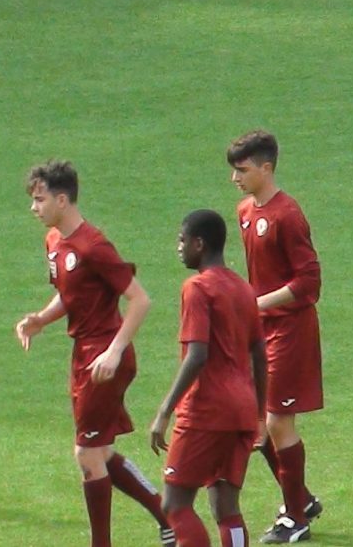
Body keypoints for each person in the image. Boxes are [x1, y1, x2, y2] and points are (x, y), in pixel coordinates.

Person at [13, 161, 175, 547]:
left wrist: (114, 351)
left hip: (104, 358)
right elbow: (70, 296)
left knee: (87, 454)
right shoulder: (54, 241)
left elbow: (140, 300)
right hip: (84, 355)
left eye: (40, 200)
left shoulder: (93, 245)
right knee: (98, 451)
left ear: (62, 199)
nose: (33, 208)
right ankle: (168, 518)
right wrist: (42, 319)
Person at [226, 130, 324, 544]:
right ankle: (299, 498)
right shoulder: (245, 211)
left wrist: (256, 303)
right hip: (261, 328)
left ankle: (296, 519)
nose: (236, 179)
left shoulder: (288, 215)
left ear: (267, 168)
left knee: (276, 422)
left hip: (290, 328)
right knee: (255, 421)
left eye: (243, 170)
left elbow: (309, 282)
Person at [148, 210, 267, 547]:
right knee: (226, 506)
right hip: (242, 410)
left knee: (174, 504)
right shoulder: (244, 289)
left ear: (199, 244)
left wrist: (164, 411)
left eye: (182, 240)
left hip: (206, 409)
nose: (179, 247)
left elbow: (197, 356)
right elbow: (260, 354)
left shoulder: (197, 288)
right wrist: (259, 414)